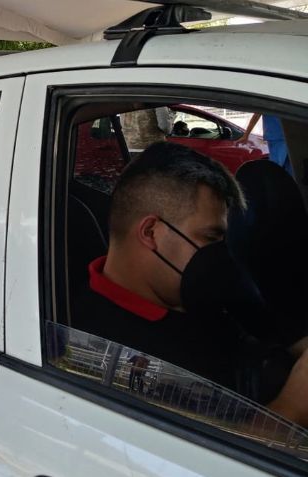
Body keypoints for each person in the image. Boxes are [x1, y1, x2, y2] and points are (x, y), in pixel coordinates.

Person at [71, 141, 308, 426]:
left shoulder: (197, 285)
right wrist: (292, 408)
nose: (220, 254)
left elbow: (276, 329)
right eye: (210, 238)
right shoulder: (99, 349)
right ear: (151, 232)